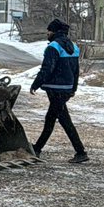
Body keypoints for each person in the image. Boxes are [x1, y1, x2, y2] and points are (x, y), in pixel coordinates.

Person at [30, 18, 88, 164]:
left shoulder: (53, 47)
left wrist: (36, 84)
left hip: (55, 89)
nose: (47, 33)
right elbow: (76, 71)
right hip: (66, 89)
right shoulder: (73, 47)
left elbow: (47, 69)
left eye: (48, 31)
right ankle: (79, 151)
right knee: (62, 119)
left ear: (54, 31)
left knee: (51, 120)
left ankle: (37, 149)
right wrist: (73, 88)